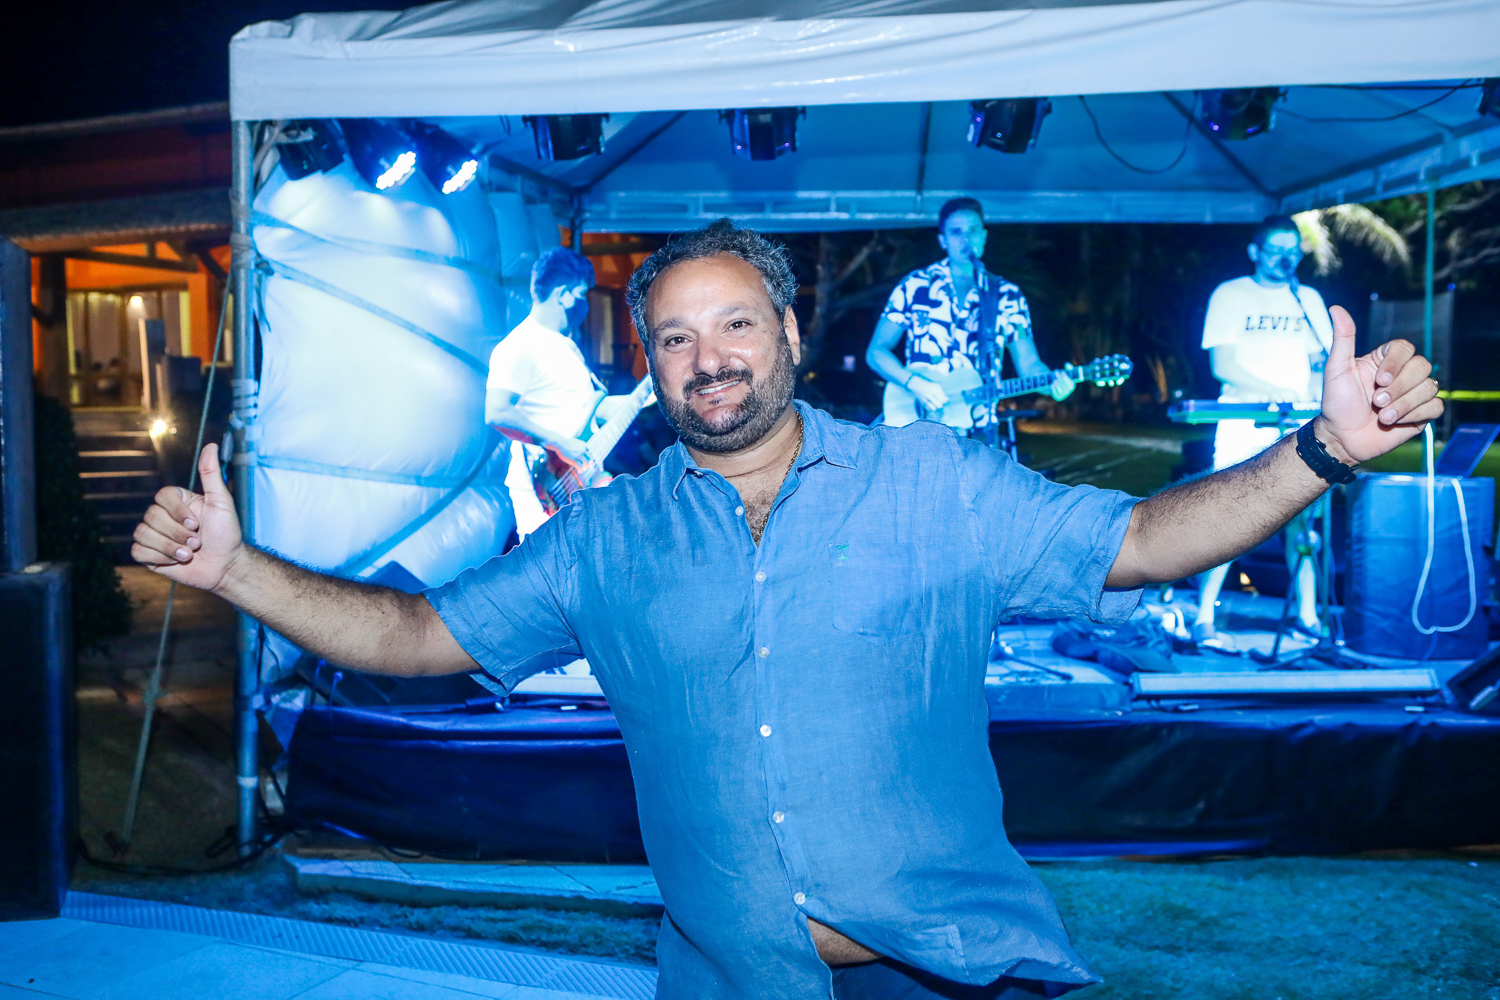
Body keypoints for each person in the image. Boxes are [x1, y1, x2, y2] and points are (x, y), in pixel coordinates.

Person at [132, 219, 1439, 1000]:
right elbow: (418, 637)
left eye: (736, 325)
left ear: (792, 335)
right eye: (676, 337)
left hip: (948, 973)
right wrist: (238, 570)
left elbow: (1146, 539)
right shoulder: (607, 539)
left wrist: (1322, 450)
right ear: (651, 362)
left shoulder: (935, 480)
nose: (709, 360)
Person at [1193, 215, 1335, 646]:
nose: (1285, 259)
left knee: (1302, 522)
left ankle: (1307, 616)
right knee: (1228, 515)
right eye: (1275, 250)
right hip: (1245, 421)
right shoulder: (1230, 294)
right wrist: (1276, 394)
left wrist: (1314, 402)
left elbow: (1320, 362)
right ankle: (1204, 617)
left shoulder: (1308, 299)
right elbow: (1222, 365)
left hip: (1299, 425)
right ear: (1255, 252)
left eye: (1292, 251)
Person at [866, 197, 1073, 435]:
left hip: (978, 429)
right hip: (917, 426)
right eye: (956, 232)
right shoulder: (915, 285)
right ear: (942, 240)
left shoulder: (1007, 295)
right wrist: (913, 383)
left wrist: (1053, 385)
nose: (966, 240)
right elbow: (876, 352)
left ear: (984, 236)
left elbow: (1029, 364)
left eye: (973, 231)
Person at [486, 246, 632, 539]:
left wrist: (647, 396)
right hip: (547, 490)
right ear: (563, 294)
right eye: (582, 294)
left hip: (581, 479)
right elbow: (497, 411)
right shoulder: (519, 345)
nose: (585, 304)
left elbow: (590, 409)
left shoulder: (566, 346)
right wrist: (561, 444)